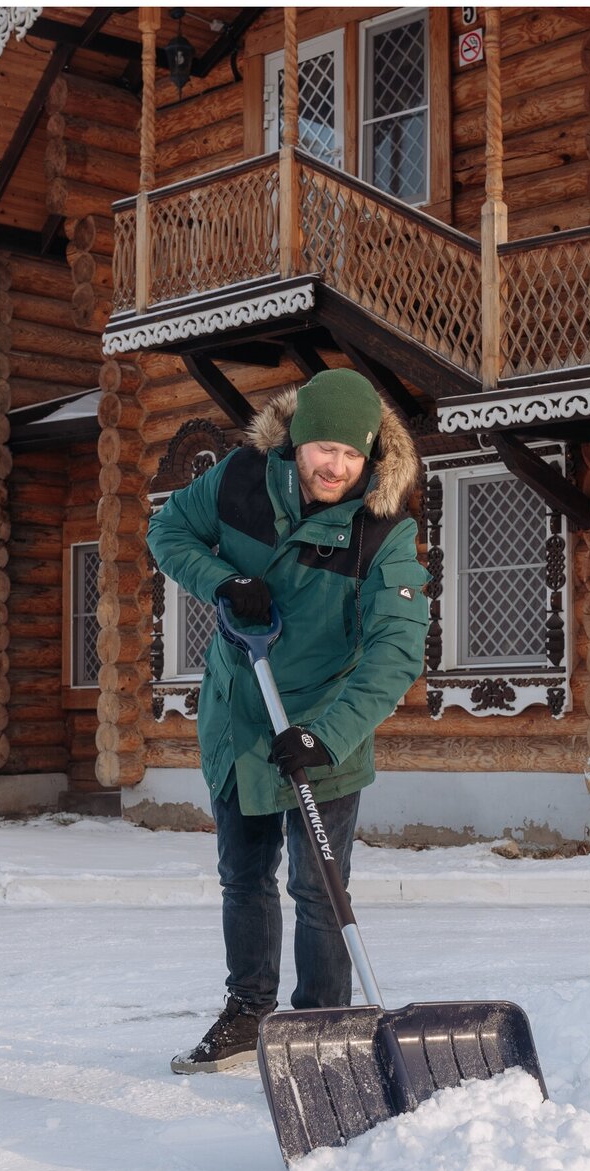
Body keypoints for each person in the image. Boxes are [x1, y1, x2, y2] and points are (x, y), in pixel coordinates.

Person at [146, 368, 429, 1074]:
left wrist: (326, 735)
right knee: (243, 874)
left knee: (318, 884)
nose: (335, 466)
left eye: (352, 455)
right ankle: (248, 1013)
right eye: (323, 447)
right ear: (298, 439)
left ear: (370, 459)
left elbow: (396, 650)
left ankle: (323, 1021)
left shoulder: (382, 530)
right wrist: (223, 583)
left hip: (326, 724)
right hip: (240, 716)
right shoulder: (240, 479)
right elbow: (168, 528)